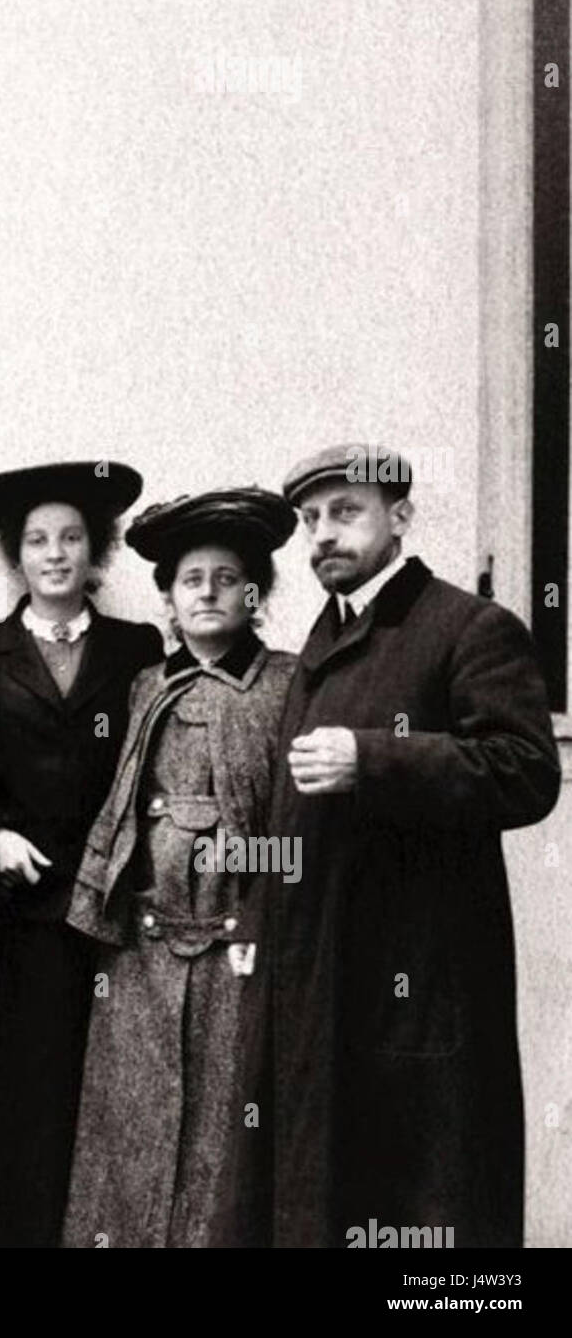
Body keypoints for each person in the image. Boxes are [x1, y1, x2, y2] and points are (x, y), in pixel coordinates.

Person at [255, 442, 561, 1247]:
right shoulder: (318, 651)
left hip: (423, 989)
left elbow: (526, 772)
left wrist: (375, 757)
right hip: (322, 986)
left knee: (433, 1216)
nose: (322, 534)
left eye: (345, 512)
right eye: (311, 520)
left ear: (400, 517)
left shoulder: (468, 627)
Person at [62, 488, 296, 1248]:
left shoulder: (288, 687)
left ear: (254, 593)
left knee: (223, 1143)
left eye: (226, 578)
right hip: (140, 955)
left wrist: (256, 904)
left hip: (239, 957)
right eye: (189, 579)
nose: (206, 592)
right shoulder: (143, 688)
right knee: (130, 1136)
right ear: (166, 596)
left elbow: (298, 833)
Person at [0, 460, 164, 1248]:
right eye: (37, 540)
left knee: (110, 1097)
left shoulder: (138, 646)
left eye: (71, 537)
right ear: (15, 556)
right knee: (26, 1097)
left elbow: (147, 767)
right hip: (20, 914)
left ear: (95, 550)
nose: (55, 554)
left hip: (112, 909)